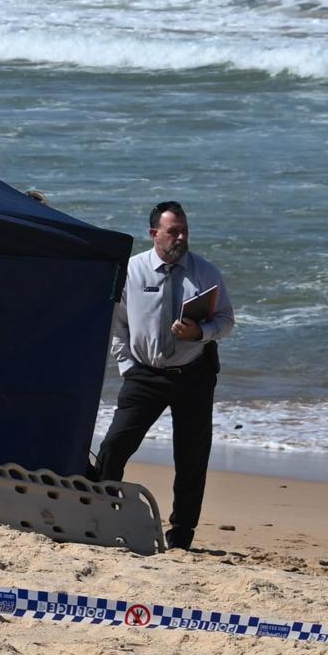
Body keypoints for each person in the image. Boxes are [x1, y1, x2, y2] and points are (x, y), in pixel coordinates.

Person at [86, 201, 235, 551]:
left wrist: (198, 332)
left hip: (194, 373)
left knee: (192, 459)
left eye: (184, 230)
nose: (180, 237)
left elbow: (226, 320)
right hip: (145, 375)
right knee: (114, 446)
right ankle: (101, 517)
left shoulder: (206, 272)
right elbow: (117, 326)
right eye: (173, 231)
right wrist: (128, 366)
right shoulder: (133, 271)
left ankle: (181, 538)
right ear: (154, 234)